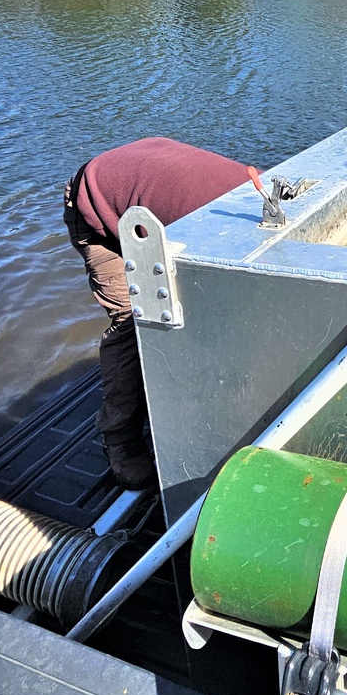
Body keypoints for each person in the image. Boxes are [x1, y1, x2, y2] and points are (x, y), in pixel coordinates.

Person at [63, 137, 251, 489]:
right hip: (96, 204)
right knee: (134, 322)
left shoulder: (264, 190)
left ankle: (166, 400)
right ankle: (119, 441)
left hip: (140, 185)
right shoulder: (218, 232)